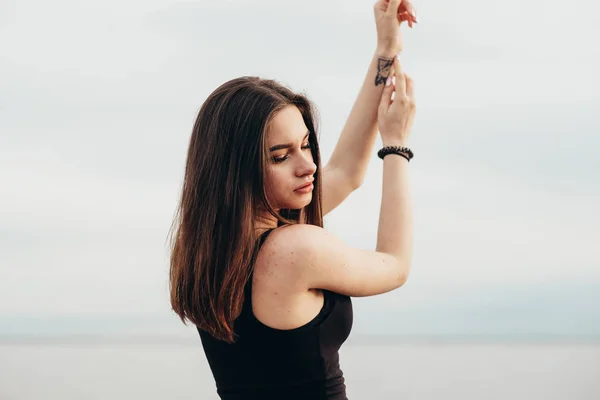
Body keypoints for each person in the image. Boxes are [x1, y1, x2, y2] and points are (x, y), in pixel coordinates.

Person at [169, 0, 417, 398]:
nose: (309, 166)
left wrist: (385, 53)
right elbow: (395, 265)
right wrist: (397, 146)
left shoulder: (206, 249)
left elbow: (345, 174)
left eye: (306, 146)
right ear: (236, 169)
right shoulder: (294, 248)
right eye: (281, 156)